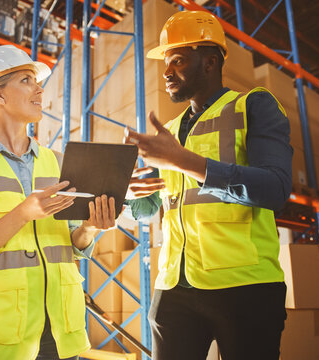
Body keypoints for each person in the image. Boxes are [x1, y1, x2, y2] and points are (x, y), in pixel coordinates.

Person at [124, 10, 293, 360]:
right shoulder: (169, 131)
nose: (167, 71)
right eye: (166, 63)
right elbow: (150, 210)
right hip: (173, 288)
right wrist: (129, 195)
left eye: (178, 60)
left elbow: (275, 189)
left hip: (245, 287)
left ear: (210, 62)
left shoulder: (254, 106)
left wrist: (182, 161)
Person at [0, 45, 117, 360]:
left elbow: (73, 244)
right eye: (26, 80)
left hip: (61, 332)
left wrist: (90, 228)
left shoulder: (58, 161)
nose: (39, 89)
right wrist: (23, 213)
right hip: (0, 338)